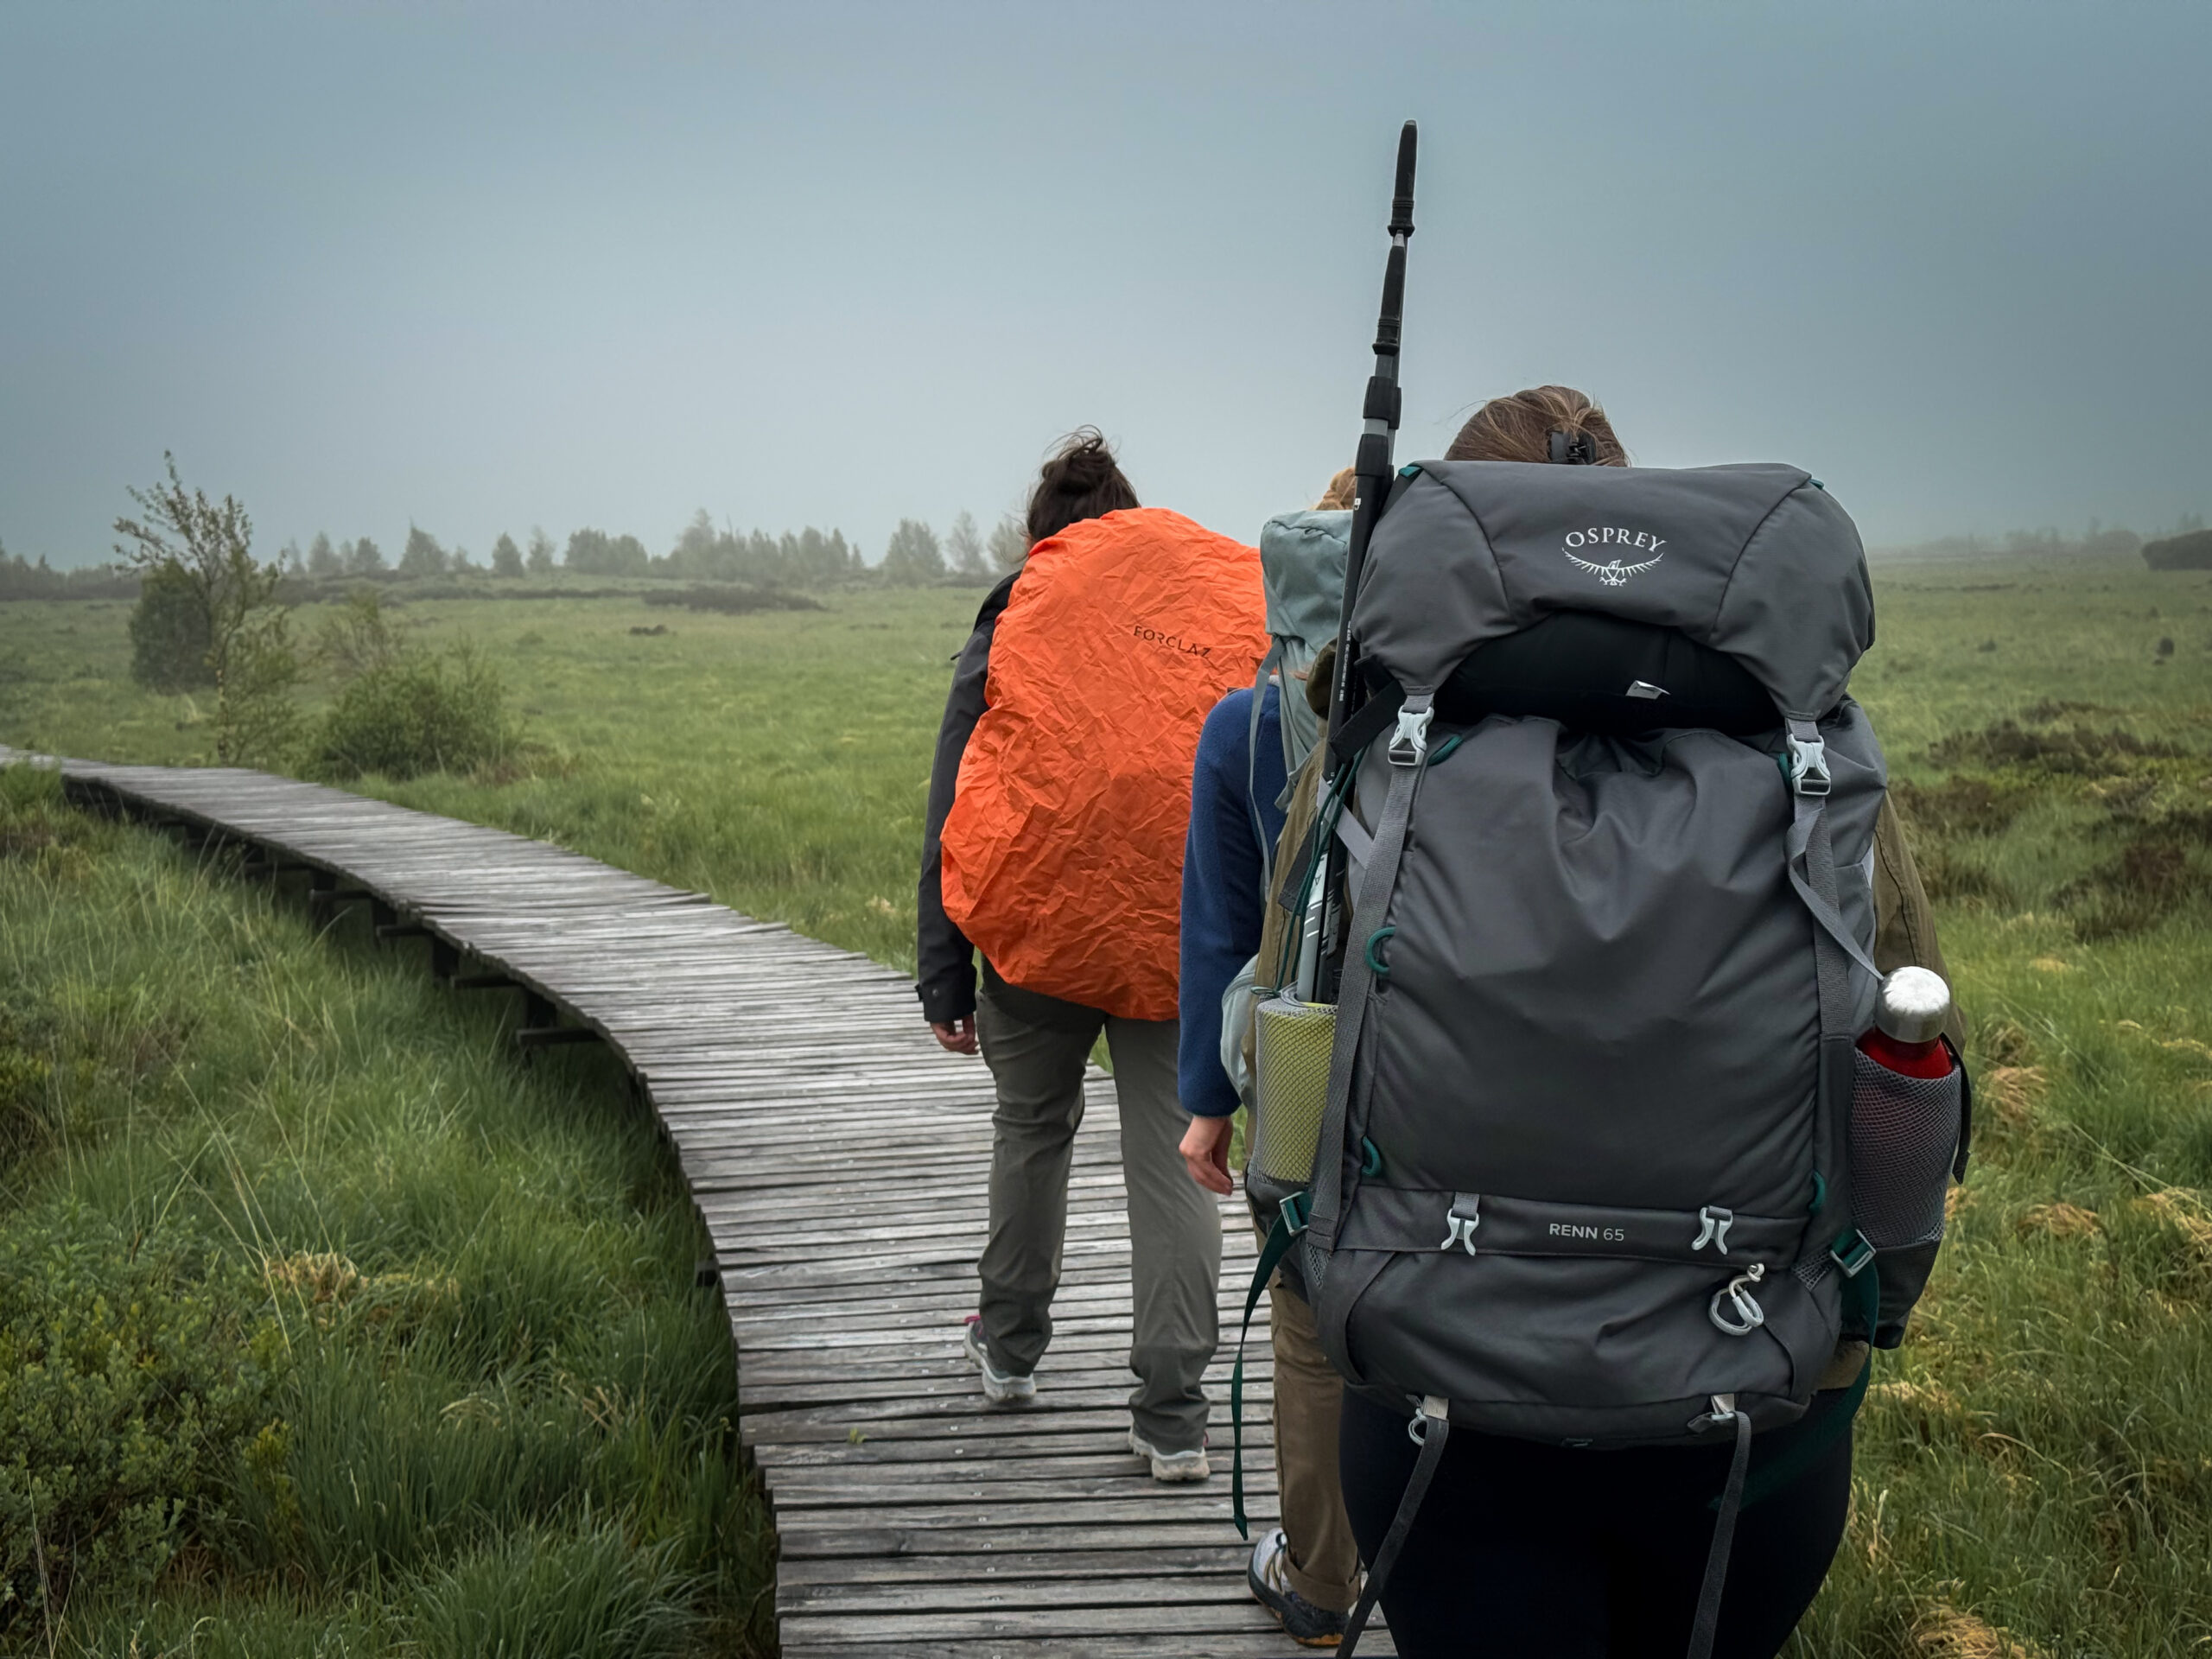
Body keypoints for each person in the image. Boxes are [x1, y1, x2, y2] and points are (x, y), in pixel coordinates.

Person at [1301, 387, 1962, 1657]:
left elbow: (1271, 1044)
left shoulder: (1378, 755)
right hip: (1754, 1394)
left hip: (1434, 1385)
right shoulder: (1813, 766)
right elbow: (1915, 1039)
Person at [918, 429, 1266, 1481]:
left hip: (1035, 926)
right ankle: (1172, 1418)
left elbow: (956, 782)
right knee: (1182, 1158)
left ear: (1044, 534)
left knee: (1030, 1131)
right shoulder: (1208, 591)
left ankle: (1011, 1349)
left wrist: (942, 963)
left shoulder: (1023, 601)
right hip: (1183, 935)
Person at [1176, 470, 1361, 1645]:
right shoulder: (1493, 705)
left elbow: (1217, 925)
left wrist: (1206, 1102)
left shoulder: (1248, 722)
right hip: (1463, 1063)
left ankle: (1322, 1582)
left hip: (1305, 1060)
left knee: (1308, 1317)